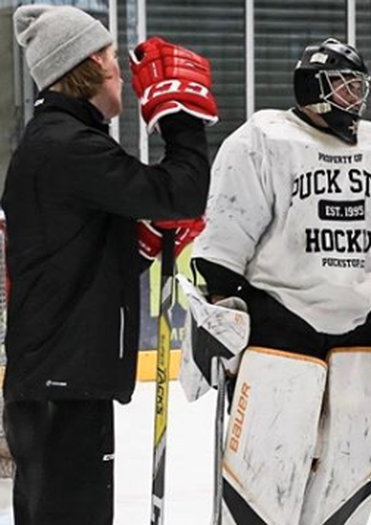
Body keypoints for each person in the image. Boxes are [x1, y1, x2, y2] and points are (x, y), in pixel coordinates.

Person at [191, 38, 371, 525]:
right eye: (344, 85)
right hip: (277, 330)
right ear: (313, 86)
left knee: (349, 482)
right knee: (263, 484)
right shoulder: (262, 139)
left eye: (358, 86)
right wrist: (221, 316)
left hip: (359, 339)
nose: (355, 96)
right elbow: (226, 239)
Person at [2, 5, 216, 524]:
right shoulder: (68, 146)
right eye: (113, 60)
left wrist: (140, 244)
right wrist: (180, 118)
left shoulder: (61, 142)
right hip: (64, 386)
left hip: (61, 380)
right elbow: (181, 191)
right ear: (87, 67)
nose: (122, 71)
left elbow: (77, 262)